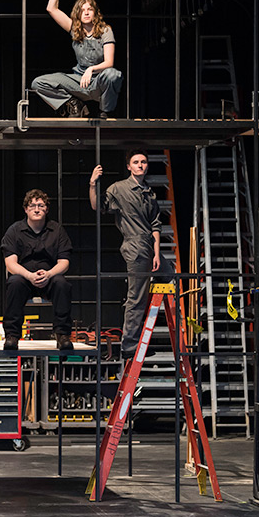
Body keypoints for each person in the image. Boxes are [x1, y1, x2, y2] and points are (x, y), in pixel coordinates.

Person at [89, 148, 174, 360]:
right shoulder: (119, 189)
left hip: (149, 246)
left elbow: (155, 225)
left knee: (169, 274)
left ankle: (142, 336)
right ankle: (130, 344)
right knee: (137, 297)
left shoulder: (149, 192)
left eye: (143, 162)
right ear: (129, 166)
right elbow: (98, 206)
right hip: (135, 245)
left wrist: (157, 253)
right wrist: (93, 184)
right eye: (136, 162)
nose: (140, 165)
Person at [31, 0, 123, 119]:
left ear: (95, 13)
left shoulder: (105, 30)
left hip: (99, 80)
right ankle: (74, 103)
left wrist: (91, 69)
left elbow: (109, 62)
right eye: (82, 10)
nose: (86, 12)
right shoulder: (75, 29)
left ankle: (105, 111)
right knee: (38, 83)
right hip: (79, 82)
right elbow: (51, 8)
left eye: (89, 9)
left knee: (114, 75)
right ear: (78, 14)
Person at [0, 189, 74, 351]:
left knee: (62, 283)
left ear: (46, 209)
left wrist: (48, 274)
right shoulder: (14, 231)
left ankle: (62, 335)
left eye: (41, 205)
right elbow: (10, 263)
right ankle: (12, 336)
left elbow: (64, 262)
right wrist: (29, 275)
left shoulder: (57, 230)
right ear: (25, 209)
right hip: (25, 278)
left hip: (50, 277)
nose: (36, 209)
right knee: (14, 282)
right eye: (32, 205)